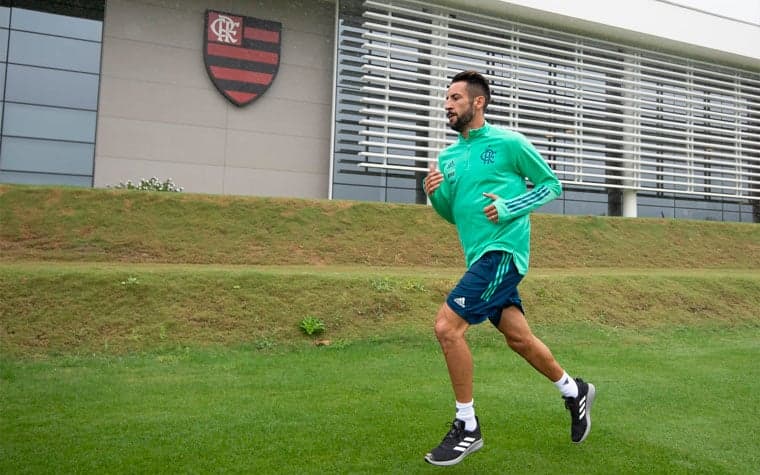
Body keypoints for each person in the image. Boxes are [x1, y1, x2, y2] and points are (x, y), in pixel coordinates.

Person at [422, 70, 596, 466]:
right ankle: (574, 390)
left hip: (503, 254)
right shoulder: (448, 157)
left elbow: (550, 185)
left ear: (477, 103)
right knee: (519, 339)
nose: (447, 105)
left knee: (447, 328)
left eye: (454, 98)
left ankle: (467, 426)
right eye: (446, 99)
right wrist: (436, 195)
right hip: (478, 255)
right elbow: (456, 216)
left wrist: (508, 207)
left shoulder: (509, 143)